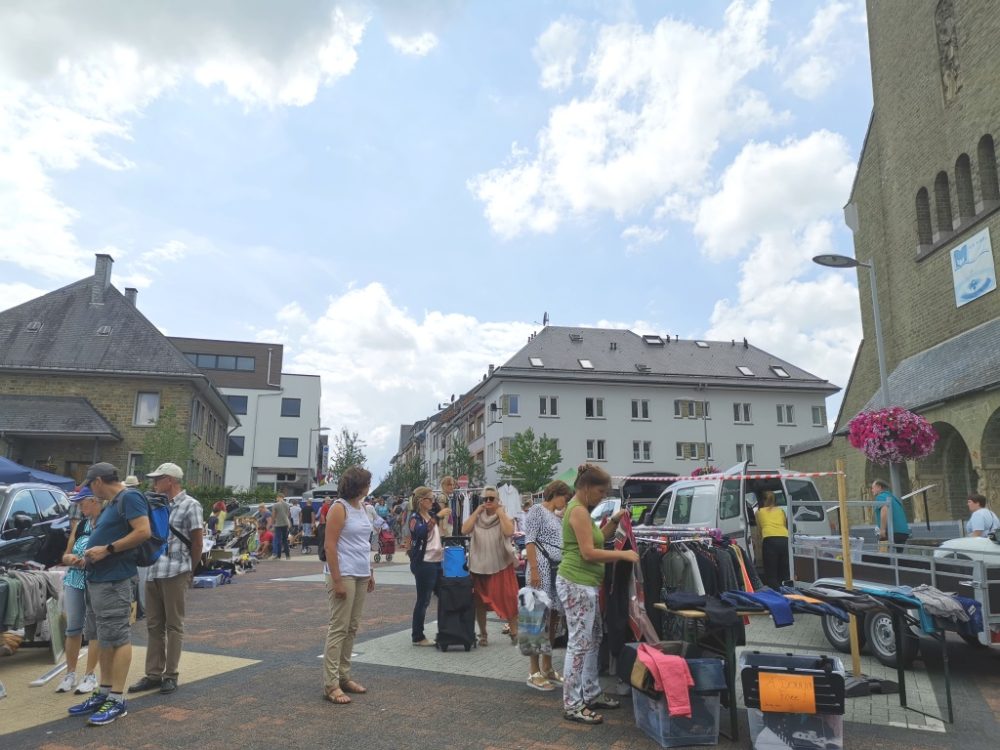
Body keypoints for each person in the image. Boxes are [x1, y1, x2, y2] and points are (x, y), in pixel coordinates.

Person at [67, 462, 151, 726]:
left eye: (91, 486)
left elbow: (143, 531)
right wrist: (87, 559)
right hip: (99, 578)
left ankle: (116, 698)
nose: (92, 493)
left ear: (99, 481)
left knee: (117, 637)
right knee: (102, 637)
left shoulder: (130, 497)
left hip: (115, 579)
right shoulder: (114, 502)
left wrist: (107, 550)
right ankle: (104, 692)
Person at [557, 463, 639, 725]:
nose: (603, 496)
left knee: (592, 638)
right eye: (602, 491)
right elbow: (588, 553)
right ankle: (572, 703)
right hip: (577, 582)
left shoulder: (582, 511)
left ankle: (590, 692)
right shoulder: (579, 512)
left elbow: (596, 541)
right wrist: (622, 554)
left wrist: (614, 521)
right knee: (580, 644)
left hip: (584, 583)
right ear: (588, 487)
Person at [127, 463, 203, 697]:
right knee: (154, 625)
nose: (153, 483)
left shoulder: (191, 505)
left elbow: (198, 540)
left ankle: (170, 675)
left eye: (158, 479)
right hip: (153, 570)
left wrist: (191, 569)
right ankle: (153, 674)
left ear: (170, 480)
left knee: (174, 624)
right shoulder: (153, 504)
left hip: (176, 570)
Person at [323, 467, 375, 705]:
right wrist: (336, 580)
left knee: (352, 627)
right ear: (358, 485)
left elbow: (364, 543)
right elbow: (330, 546)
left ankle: (344, 676)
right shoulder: (339, 508)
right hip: (343, 573)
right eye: (367, 483)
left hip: (361, 572)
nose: (369, 486)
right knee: (339, 628)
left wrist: (370, 572)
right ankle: (331, 684)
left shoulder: (362, 507)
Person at [523, 479, 571, 691]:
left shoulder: (556, 516)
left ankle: (548, 666)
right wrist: (534, 569)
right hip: (541, 568)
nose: (566, 502)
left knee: (552, 618)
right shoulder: (537, 510)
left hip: (554, 569)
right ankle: (533, 671)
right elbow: (529, 540)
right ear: (556, 494)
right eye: (565, 498)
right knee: (536, 619)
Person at [56, 487, 102, 695]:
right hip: (75, 579)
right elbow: (66, 554)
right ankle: (70, 673)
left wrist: (90, 559)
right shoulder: (81, 524)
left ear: (94, 501)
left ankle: (90, 674)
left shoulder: (104, 524)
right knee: (73, 628)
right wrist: (70, 559)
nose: (79, 507)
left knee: (93, 629)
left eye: (82, 502)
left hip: (95, 579)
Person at [461, 485, 519, 646]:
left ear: (498, 500)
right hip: (479, 565)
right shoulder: (477, 516)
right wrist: (476, 512)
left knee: (509, 599)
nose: (487, 501)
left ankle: (514, 632)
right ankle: (483, 634)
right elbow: (464, 529)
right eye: (484, 499)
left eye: (491, 498)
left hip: (500, 564)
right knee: (479, 602)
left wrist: (500, 513)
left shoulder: (504, 515)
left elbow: (509, 532)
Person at [407, 486, 443, 647]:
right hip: (424, 563)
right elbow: (421, 532)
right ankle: (417, 635)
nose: (433, 501)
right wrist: (436, 518)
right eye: (430, 499)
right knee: (424, 599)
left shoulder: (429, 515)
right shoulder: (415, 518)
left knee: (443, 595)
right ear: (422, 501)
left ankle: (447, 630)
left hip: (436, 561)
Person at [756, 491, 789, 589]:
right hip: (784, 540)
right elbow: (785, 525)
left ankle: (776, 596)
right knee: (784, 573)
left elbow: (759, 531)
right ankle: (787, 594)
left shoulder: (759, 512)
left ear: (763, 500)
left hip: (770, 540)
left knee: (771, 575)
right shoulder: (781, 511)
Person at [873, 479, 910, 551]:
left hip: (893, 532)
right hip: (904, 532)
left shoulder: (880, 496)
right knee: (899, 558)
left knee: (884, 555)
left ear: (879, 487)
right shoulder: (893, 497)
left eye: (873, 488)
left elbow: (884, 509)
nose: (872, 490)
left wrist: (882, 530)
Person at [271, 494, 292, 560]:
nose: (276, 499)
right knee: (285, 540)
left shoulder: (276, 505)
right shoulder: (287, 505)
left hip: (278, 524)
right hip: (285, 524)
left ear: (279, 497)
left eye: (277, 497)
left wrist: (272, 523)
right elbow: (288, 514)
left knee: (278, 540)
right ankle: (287, 555)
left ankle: (279, 555)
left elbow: (274, 515)